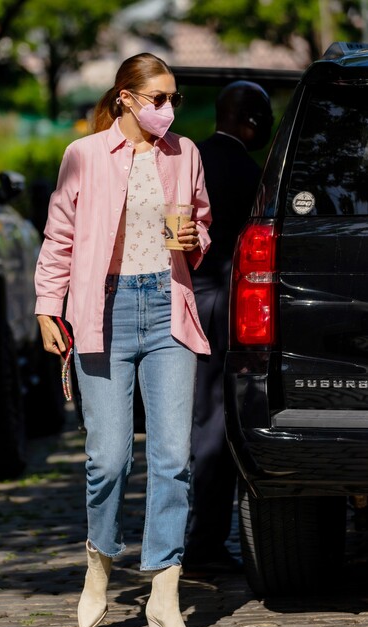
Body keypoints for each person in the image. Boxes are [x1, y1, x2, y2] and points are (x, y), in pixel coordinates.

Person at [34, 53, 212, 627]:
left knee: (173, 457)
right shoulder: (83, 156)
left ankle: (165, 597)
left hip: (167, 307)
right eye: (158, 98)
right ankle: (99, 562)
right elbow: (59, 235)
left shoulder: (185, 154)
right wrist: (45, 306)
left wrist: (195, 237)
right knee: (108, 459)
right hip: (102, 311)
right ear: (126, 99)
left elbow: (202, 224)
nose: (168, 110)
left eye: (173, 100)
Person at [183, 81, 274, 577]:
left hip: (177, 298)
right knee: (216, 422)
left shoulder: (187, 157)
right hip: (222, 303)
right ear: (252, 123)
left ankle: (184, 531)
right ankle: (204, 540)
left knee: (187, 421)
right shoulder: (252, 174)